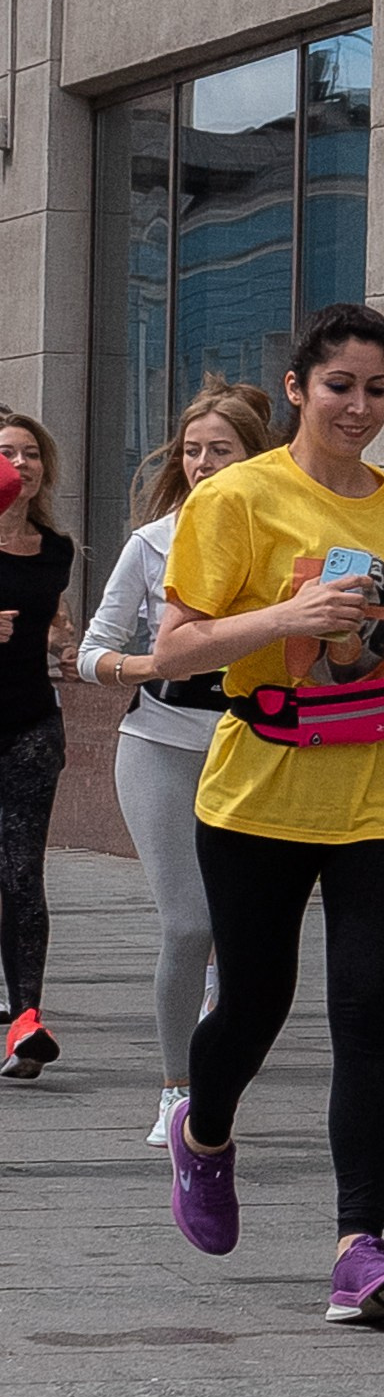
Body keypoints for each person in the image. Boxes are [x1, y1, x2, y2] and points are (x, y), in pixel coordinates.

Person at [150, 303, 384, 1323]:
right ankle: (204, 1134)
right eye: (340, 387)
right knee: (253, 1004)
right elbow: (172, 651)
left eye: (378, 389)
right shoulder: (236, 499)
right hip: (262, 787)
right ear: (297, 389)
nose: (359, 407)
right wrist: (285, 617)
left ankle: (359, 1246)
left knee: (370, 1015)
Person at [77, 381, 275, 1151]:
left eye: (219, 451)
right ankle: (176, 1090)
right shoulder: (151, 543)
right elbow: (91, 650)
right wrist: (146, 665)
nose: (201, 464)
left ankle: (215, 1060)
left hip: (254, 747)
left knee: (242, 933)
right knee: (188, 923)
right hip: (159, 744)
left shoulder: (279, 538)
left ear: (253, 457)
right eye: (191, 451)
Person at [0, 413, 76, 1081]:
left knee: (22, 873)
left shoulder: (56, 549)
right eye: (6, 453)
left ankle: (27, 1020)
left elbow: (49, 618)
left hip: (28, 727)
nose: (20, 464)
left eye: (32, 455)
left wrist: (63, 639)